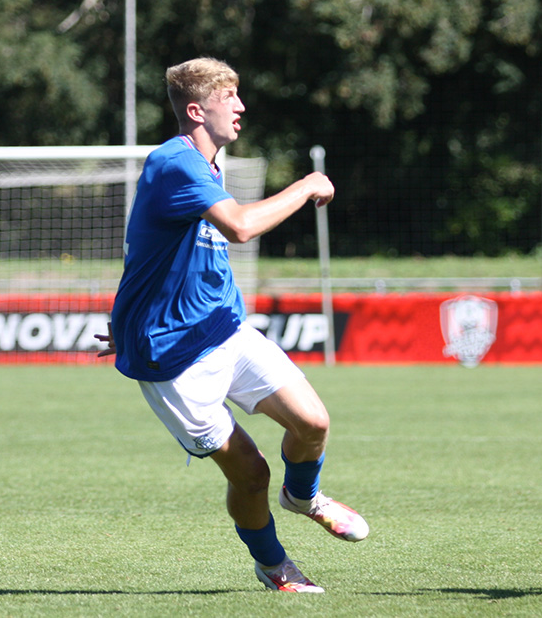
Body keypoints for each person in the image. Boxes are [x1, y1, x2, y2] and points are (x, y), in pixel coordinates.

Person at [95, 57, 368, 593]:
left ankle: (304, 497)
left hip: (222, 328)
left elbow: (160, 258)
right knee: (251, 472)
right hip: (172, 360)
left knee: (313, 423)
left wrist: (131, 317)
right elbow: (240, 227)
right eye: (230, 98)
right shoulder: (175, 163)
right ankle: (274, 567)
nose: (241, 107)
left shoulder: (209, 165)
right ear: (197, 110)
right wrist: (308, 183)